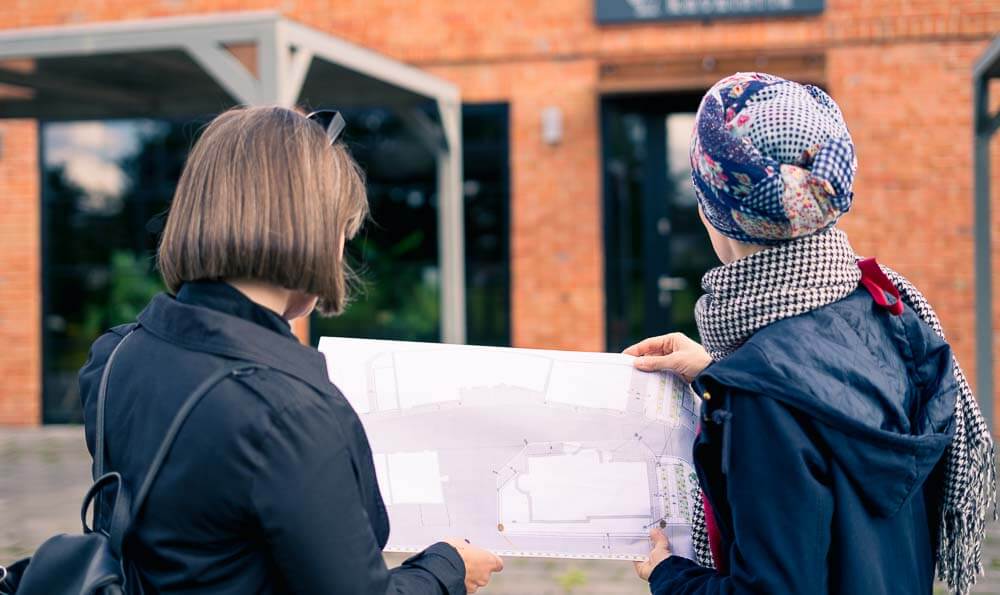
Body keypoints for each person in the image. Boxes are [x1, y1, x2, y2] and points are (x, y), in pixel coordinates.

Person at [78, 106, 503, 594]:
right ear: (313, 232)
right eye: (343, 233)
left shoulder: (114, 356)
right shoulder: (292, 412)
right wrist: (447, 569)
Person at [625, 73, 996, 594]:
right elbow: (832, 423)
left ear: (716, 211)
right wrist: (721, 374)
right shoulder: (884, 312)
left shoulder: (763, 399)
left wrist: (670, 576)